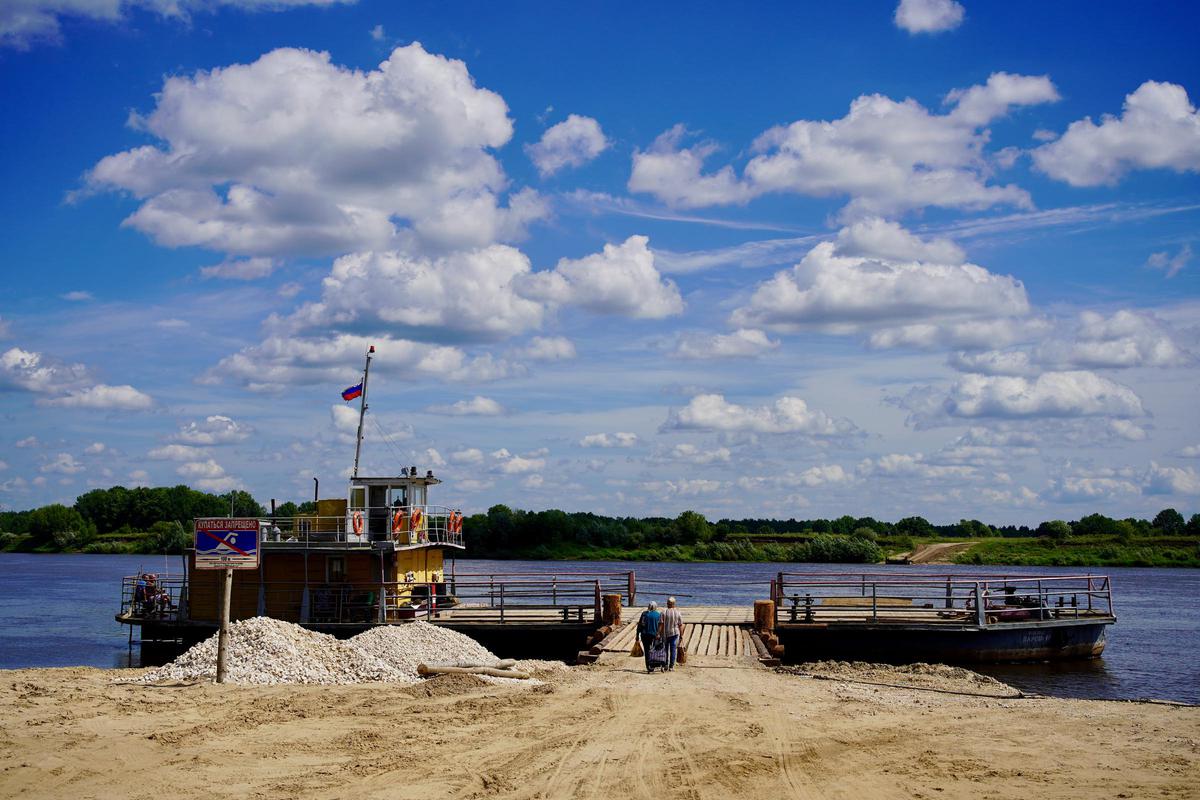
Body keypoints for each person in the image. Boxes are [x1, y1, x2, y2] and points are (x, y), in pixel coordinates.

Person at [636, 600, 662, 673]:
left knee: (647, 650)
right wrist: (660, 635)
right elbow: (660, 626)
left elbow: (639, 625)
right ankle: (653, 665)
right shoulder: (658, 614)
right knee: (654, 650)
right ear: (655, 607)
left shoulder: (644, 614)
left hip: (645, 635)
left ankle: (648, 667)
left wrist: (637, 635)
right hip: (654, 635)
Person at [662, 596, 685, 671]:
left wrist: (658, 633)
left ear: (667, 603)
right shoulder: (677, 612)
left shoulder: (663, 612)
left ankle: (665, 664)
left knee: (665, 650)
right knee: (673, 650)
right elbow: (680, 625)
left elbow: (661, 624)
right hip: (675, 634)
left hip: (665, 634)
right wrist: (681, 635)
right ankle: (671, 666)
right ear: (674, 604)